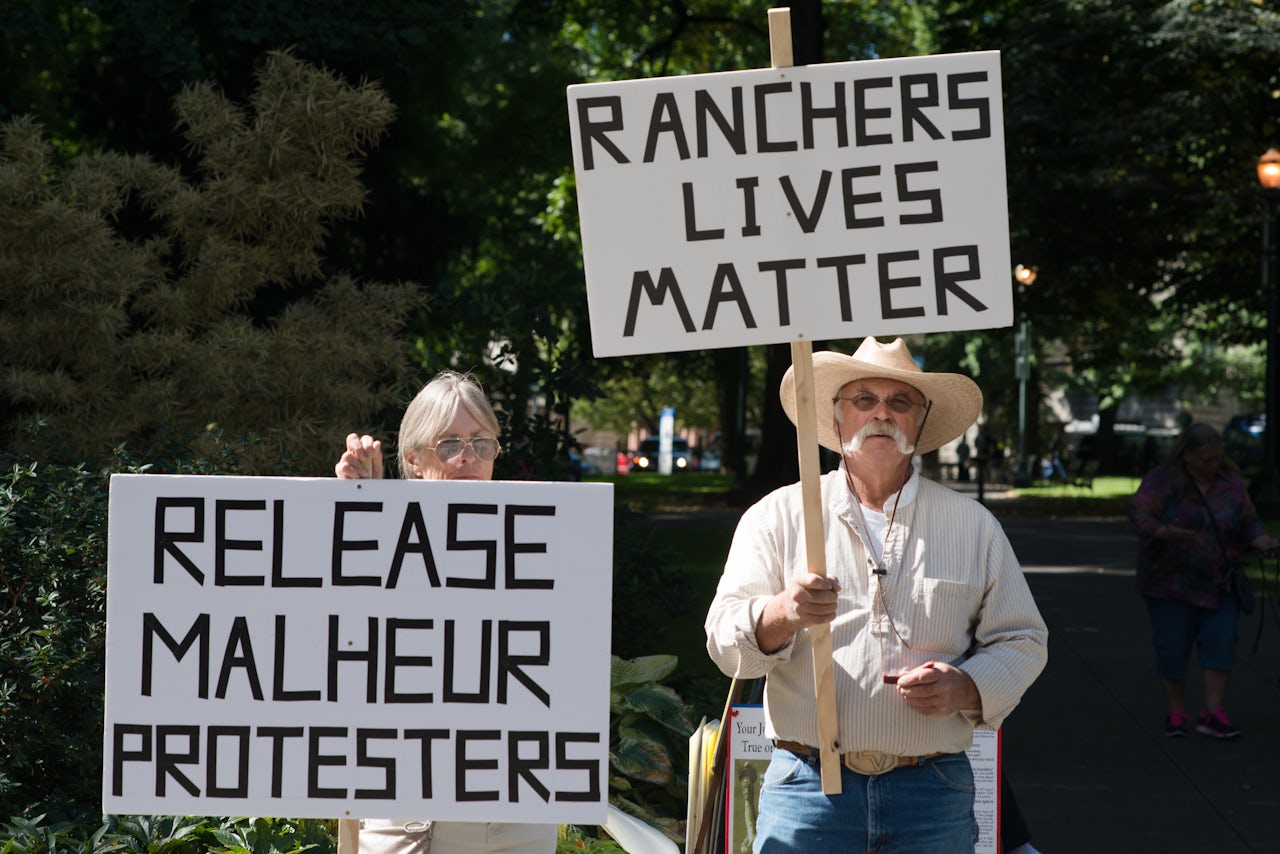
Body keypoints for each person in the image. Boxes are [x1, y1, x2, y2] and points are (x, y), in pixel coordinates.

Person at [704, 337, 1048, 852]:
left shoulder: (972, 525)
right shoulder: (779, 516)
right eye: (864, 400)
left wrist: (967, 686)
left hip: (932, 791)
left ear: (921, 421)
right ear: (838, 418)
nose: (881, 414)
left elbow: (1023, 639)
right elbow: (723, 642)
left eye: (899, 402)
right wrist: (781, 613)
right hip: (807, 788)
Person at [336, 370, 557, 854]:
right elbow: (347, 642)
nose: (467, 459)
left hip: (515, 806)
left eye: (481, 444)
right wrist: (363, 513)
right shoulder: (378, 538)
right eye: (450, 443)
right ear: (413, 459)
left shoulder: (541, 544)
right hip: (406, 810)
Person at [1129, 421, 1277, 740]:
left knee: (1221, 644)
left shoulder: (1231, 483)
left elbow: (1249, 521)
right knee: (1172, 648)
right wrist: (1164, 532)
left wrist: (1262, 540)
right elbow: (1139, 516)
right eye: (1206, 460)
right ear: (1186, 456)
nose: (1213, 465)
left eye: (1217, 458)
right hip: (1170, 583)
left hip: (1219, 583)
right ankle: (1175, 711)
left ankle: (1212, 712)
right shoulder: (1162, 481)